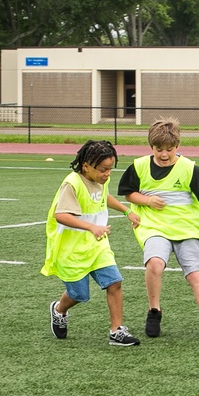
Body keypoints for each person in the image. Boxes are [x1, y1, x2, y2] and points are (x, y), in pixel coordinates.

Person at [118, 118, 199, 340]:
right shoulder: (138, 166)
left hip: (187, 229)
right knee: (155, 264)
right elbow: (128, 193)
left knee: (195, 273)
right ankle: (154, 311)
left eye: (169, 149)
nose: (164, 155)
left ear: (177, 147)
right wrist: (147, 202)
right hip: (153, 227)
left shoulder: (190, 169)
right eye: (159, 150)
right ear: (151, 147)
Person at [42, 140, 141, 346]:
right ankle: (59, 309)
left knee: (114, 282)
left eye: (110, 170)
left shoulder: (99, 181)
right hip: (71, 250)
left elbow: (104, 197)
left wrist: (127, 211)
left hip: (97, 245)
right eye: (103, 170)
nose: (107, 174)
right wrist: (91, 227)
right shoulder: (72, 183)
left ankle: (117, 331)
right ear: (86, 166)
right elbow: (61, 215)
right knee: (79, 294)